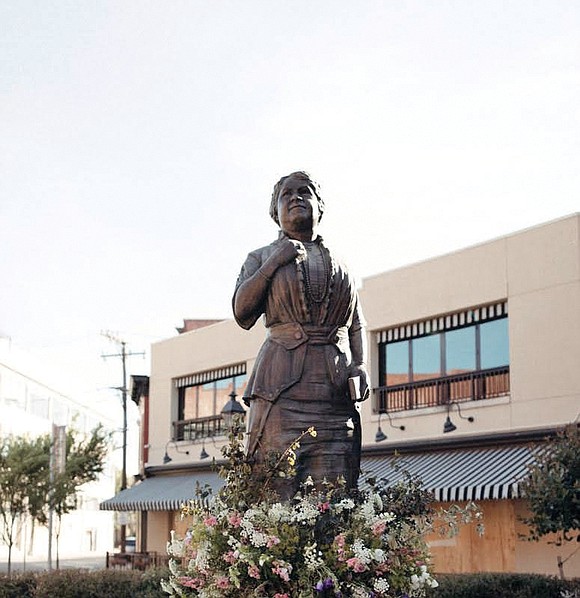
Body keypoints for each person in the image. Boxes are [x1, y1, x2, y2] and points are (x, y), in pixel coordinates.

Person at [233, 171, 369, 498]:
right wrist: (272, 265)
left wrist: (361, 366)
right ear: (275, 212)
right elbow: (241, 312)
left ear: (319, 206)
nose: (296, 198)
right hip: (281, 390)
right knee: (273, 494)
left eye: (305, 192)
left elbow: (356, 323)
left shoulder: (343, 264)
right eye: (286, 195)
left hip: (334, 394)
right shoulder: (261, 257)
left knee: (334, 498)